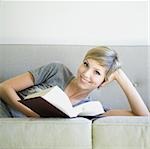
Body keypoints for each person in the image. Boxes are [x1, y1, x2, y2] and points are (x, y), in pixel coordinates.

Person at [0, 46, 149, 117]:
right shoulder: (57, 70)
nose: (85, 73)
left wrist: (119, 75)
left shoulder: (90, 108)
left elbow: (143, 117)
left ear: (103, 81)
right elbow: (4, 87)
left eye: (97, 72)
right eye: (86, 64)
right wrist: (32, 113)